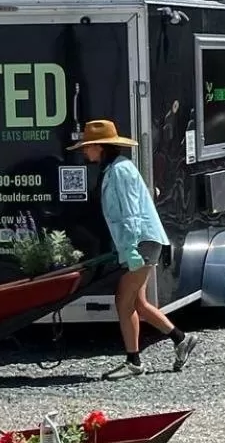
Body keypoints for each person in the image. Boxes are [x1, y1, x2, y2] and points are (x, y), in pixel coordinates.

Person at [70, 120, 197, 379]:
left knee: (123, 301)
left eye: (87, 146)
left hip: (142, 243)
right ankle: (180, 340)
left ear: (100, 146)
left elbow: (130, 215)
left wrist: (130, 251)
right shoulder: (115, 168)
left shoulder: (120, 171)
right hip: (140, 242)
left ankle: (135, 361)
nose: (84, 150)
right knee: (137, 302)